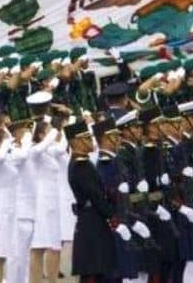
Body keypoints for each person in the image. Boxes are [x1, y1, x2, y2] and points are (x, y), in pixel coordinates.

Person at [65, 120, 115, 283]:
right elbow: (96, 196)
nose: (91, 141)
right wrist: (112, 214)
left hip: (94, 221)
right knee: (93, 272)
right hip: (91, 224)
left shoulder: (85, 163)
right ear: (75, 142)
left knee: (99, 270)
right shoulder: (80, 165)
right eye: (85, 138)